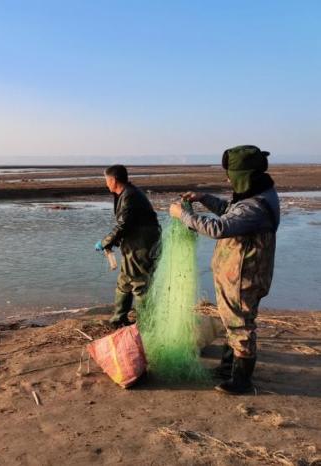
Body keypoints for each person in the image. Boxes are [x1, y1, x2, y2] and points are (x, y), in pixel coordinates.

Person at [169, 145, 279, 395]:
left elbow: (218, 228)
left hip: (243, 277)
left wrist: (182, 216)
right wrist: (203, 198)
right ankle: (228, 368)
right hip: (236, 276)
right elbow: (230, 211)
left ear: (245, 175)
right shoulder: (256, 194)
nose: (227, 179)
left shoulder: (256, 206)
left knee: (240, 324)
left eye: (231, 174)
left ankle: (242, 381)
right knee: (232, 321)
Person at [96, 165, 160, 328]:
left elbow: (124, 225)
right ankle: (119, 319)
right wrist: (114, 241)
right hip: (134, 242)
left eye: (106, 180)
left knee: (139, 283)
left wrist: (106, 242)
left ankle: (147, 324)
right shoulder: (126, 193)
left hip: (141, 245)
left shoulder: (130, 196)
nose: (106, 184)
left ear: (113, 180)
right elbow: (128, 224)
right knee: (124, 281)